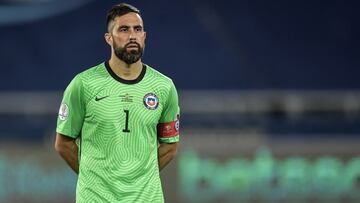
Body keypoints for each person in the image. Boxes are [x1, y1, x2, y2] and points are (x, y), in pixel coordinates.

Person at [54, 3, 180, 202]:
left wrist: (137, 177)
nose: (132, 36)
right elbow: (64, 143)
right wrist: (96, 178)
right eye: (124, 29)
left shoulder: (164, 87)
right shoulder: (83, 84)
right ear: (109, 38)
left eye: (137, 29)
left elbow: (170, 146)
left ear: (144, 36)